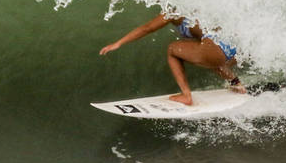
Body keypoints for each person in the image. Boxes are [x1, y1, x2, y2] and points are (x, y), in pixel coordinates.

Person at [99, 12, 244, 105]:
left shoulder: (173, 10)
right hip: (231, 46)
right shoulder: (193, 6)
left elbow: (147, 28)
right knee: (205, 54)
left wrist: (118, 43)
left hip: (215, 48)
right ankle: (236, 83)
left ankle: (186, 95)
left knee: (172, 49)